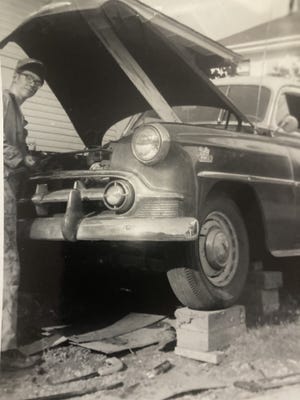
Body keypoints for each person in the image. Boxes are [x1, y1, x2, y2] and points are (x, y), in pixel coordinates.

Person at [1, 58, 45, 369]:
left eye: (38, 83)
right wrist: (27, 161)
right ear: (16, 76)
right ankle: (5, 349)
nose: (33, 84)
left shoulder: (17, 110)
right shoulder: (4, 100)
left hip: (9, 185)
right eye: (29, 77)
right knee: (7, 265)